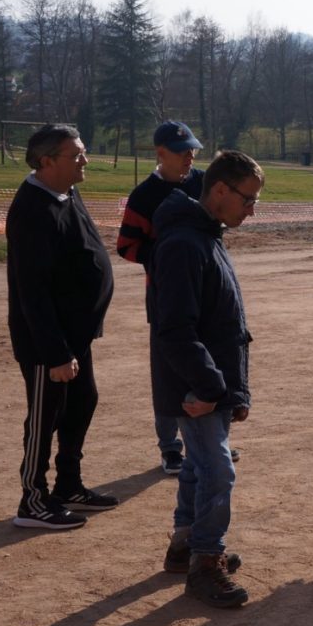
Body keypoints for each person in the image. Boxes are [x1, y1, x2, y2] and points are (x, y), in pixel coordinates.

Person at [150, 150, 262, 607]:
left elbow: (225, 325)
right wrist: (212, 388)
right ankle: (205, 562)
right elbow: (175, 330)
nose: (251, 209)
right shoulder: (183, 243)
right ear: (219, 190)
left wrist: (234, 390)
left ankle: (184, 546)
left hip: (210, 384)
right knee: (218, 470)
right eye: (248, 199)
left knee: (198, 466)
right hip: (195, 387)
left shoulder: (207, 236)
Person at [6, 124, 117, 529]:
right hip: (46, 342)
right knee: (45, 416)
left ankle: (68, 485)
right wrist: (55, 353)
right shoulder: (32, 210)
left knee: (82, 402)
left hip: (75, 334)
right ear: (47, 161)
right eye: (76, 155)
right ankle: (33, 500)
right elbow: (32, 292)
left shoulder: (66, 190)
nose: (85, 160)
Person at [117, 120, 239, 474]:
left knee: (207, 362)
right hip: (166, 294)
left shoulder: (202, 183)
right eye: (181, 151)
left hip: (206, 291)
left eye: (192, 151)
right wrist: (167, 255)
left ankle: (210, 441)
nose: (189, 157)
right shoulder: (144, 196)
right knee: (170, 370)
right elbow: (126, 246)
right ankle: (170, 448)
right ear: (161, 154)